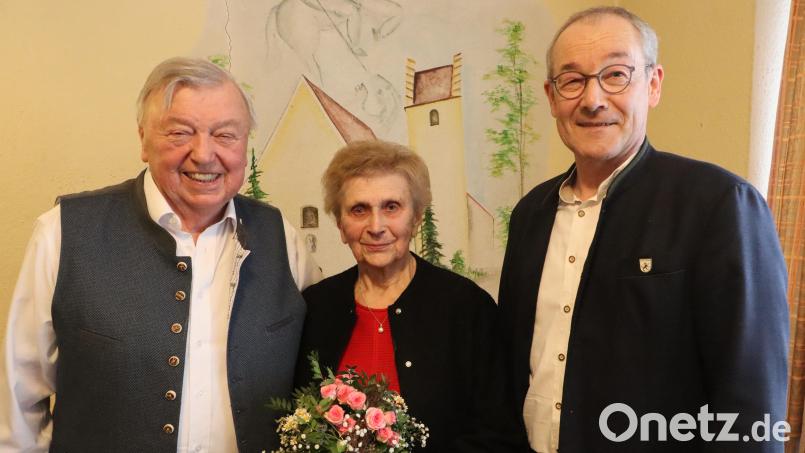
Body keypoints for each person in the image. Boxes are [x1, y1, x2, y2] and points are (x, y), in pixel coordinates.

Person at [497, 7, 789, 453]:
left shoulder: (719, 205)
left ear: (653, 85)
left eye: (616, 75)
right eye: (572, 80)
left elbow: (752, 407)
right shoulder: (529, 216)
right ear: (552, 97)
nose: (593, 99)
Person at [0, 57, 321, 452]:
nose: (204, 154)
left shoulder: (282, 238)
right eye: (180, 133)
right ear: (143, 139)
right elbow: (18, 401)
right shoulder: (63, 231)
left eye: (225, 135)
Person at [295, 140, 512, 452]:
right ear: (341, 226)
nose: (376, 226)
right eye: (359, 210)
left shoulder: (466, 308)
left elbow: (499, 435)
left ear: (417, 217)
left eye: (391, 207)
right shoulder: (315, 308)